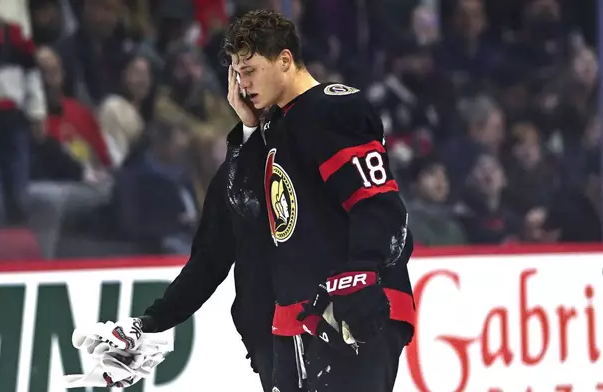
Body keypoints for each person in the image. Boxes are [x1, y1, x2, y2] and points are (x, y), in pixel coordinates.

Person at [222, 9, 416, 392]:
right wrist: (246, 129)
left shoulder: (332, 108)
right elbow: (247, 209)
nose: (243, 84)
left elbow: (376, 200)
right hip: (296, 316)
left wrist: (362, 273)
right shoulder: (273, 126)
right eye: (237, 73)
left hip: (349, 306)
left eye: (251, 70)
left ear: (284, 60)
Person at [72, 113, 276, 390]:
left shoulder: (316, 156)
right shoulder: (230, 177)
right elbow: (207, 262)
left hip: (325, 325)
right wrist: (151, 321)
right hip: (268, 334)